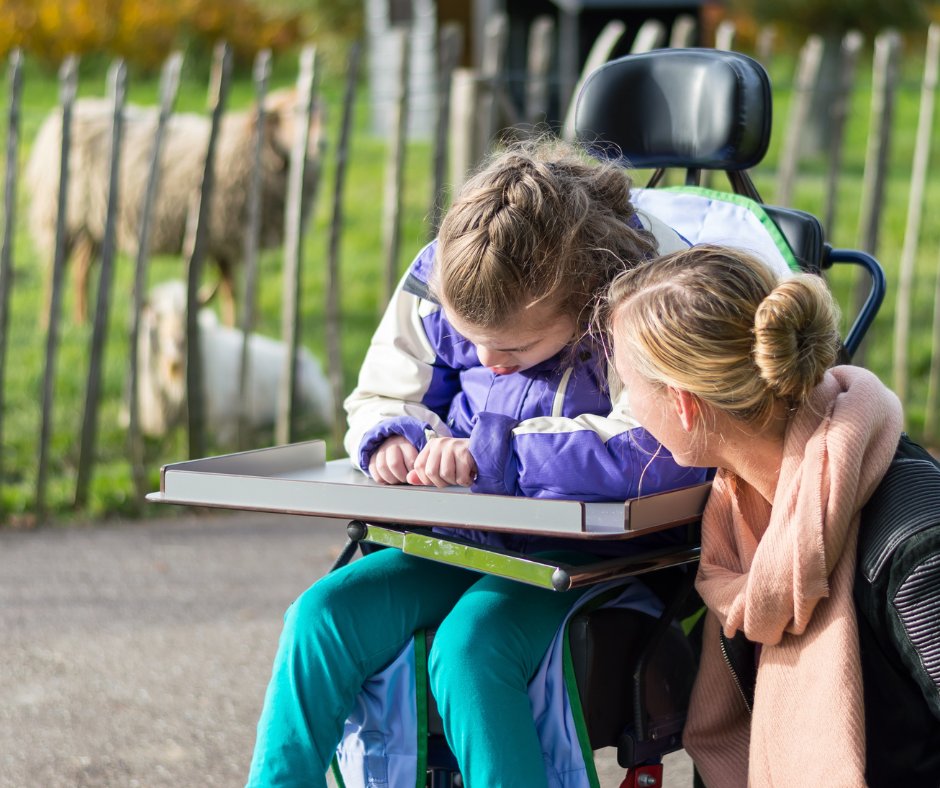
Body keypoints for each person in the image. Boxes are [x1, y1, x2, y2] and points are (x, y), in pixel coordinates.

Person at [245, 139, 709, 787]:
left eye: (514, 346)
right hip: (460, 537)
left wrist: (501, 456)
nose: (488, 361)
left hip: (587, 558)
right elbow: (384, 390)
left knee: (471, 648)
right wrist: (391, 438)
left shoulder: (644, 292)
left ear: (584, 302)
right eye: (471, 341)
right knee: (321, 617)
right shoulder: (456, 263)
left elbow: (663, 447)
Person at [606, 243, 940, 787]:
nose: (626, 409)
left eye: (628, 386)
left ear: (684, 404)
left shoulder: (915, 548)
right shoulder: (740, 521)